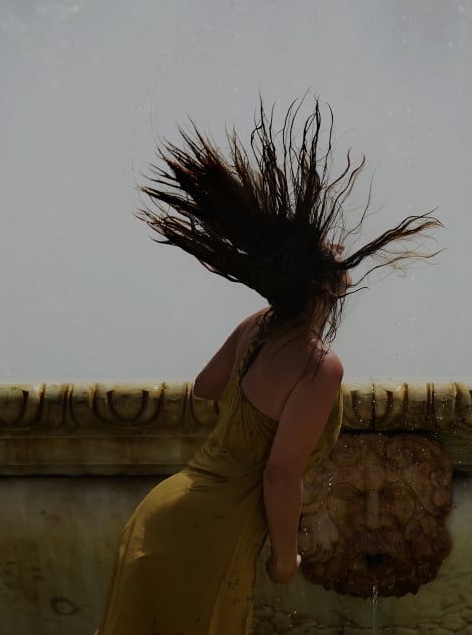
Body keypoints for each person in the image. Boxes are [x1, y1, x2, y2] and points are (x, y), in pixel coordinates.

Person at [94, 98, 440, 634]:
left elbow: (205, 389)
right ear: (325, 285)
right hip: (214, 530)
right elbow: (281, 474)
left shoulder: (257, 325)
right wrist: (284, 557)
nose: (338, 245)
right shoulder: (319, 367)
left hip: (164, 510)